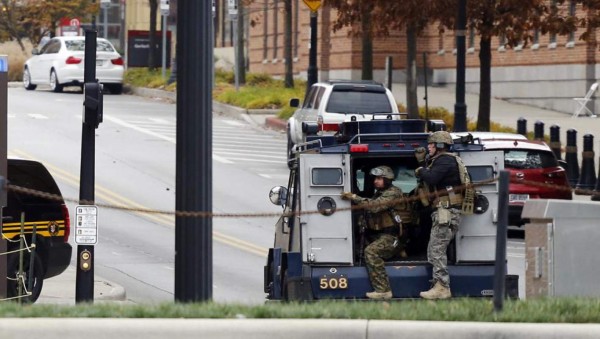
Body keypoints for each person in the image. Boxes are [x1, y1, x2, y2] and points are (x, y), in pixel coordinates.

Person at [414, 130, 469, 300]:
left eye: (431, 145)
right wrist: (424, 162)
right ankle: (438, 285)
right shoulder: (442, 160)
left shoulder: (446, 160)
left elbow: (432, 178)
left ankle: (443, 287)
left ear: (439, 146)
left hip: (447, 212)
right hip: (444, 211)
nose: (428, 147)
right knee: (434, 249)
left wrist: (420, 169)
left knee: (437, 250)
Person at [341, 165, 405, 300]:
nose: (376, 181)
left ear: (387, 180)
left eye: (380, 178)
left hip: (391, 236)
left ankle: (383, 291)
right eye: (375, 178)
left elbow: (375, 207)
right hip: (380, 235)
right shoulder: (379, 193)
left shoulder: (394, 192)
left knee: (371, 252)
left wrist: (354, 197)